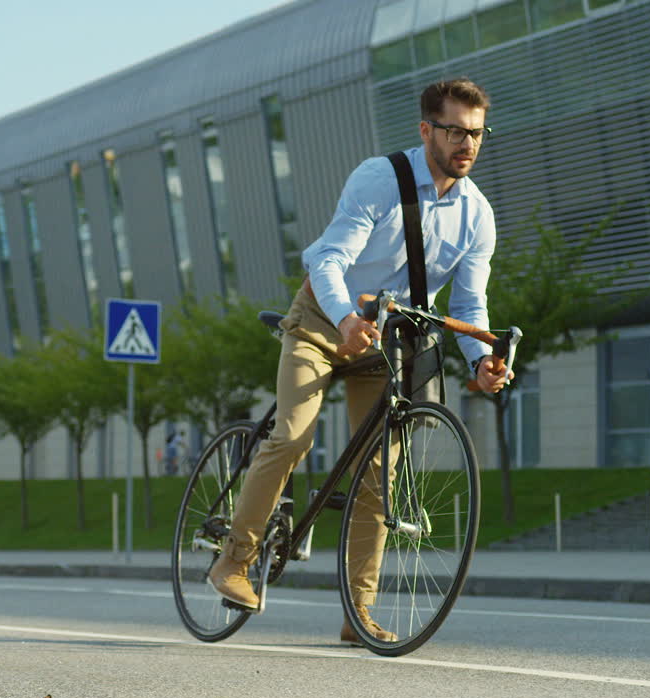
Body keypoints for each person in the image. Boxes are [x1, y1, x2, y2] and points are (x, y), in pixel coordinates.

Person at [207, 78, 512, 644]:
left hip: (392, 340)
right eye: (453, 131)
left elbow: (469, 304)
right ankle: (234, 561)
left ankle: (358, 612)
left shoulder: (477, 215)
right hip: (325, 320)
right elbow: (329, 259)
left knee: (380, 477)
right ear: (426, 130)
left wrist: (479, 359)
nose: (466, 144)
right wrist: (345, 319)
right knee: (294, 435)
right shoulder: (379, 179)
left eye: (476, 133)